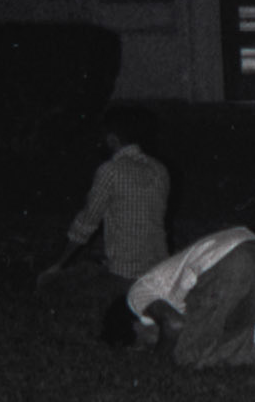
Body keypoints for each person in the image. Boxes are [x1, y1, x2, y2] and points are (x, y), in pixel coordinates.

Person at [127, 227, 255, 369]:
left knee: (186, 354)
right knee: (235, 333)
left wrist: (159, 363)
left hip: (232, 261)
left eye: (141, 341)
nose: (148, 343)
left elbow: (173, 324)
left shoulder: (135, 295)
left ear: (134, 325)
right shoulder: (164, 291)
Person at [38, 115, 170, 289]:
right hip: (160, 268)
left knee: (61, 278)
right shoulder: (159, 169)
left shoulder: (110, 170)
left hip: (124, 272)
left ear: (112, 139)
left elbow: (86, 223)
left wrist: (59, 264)